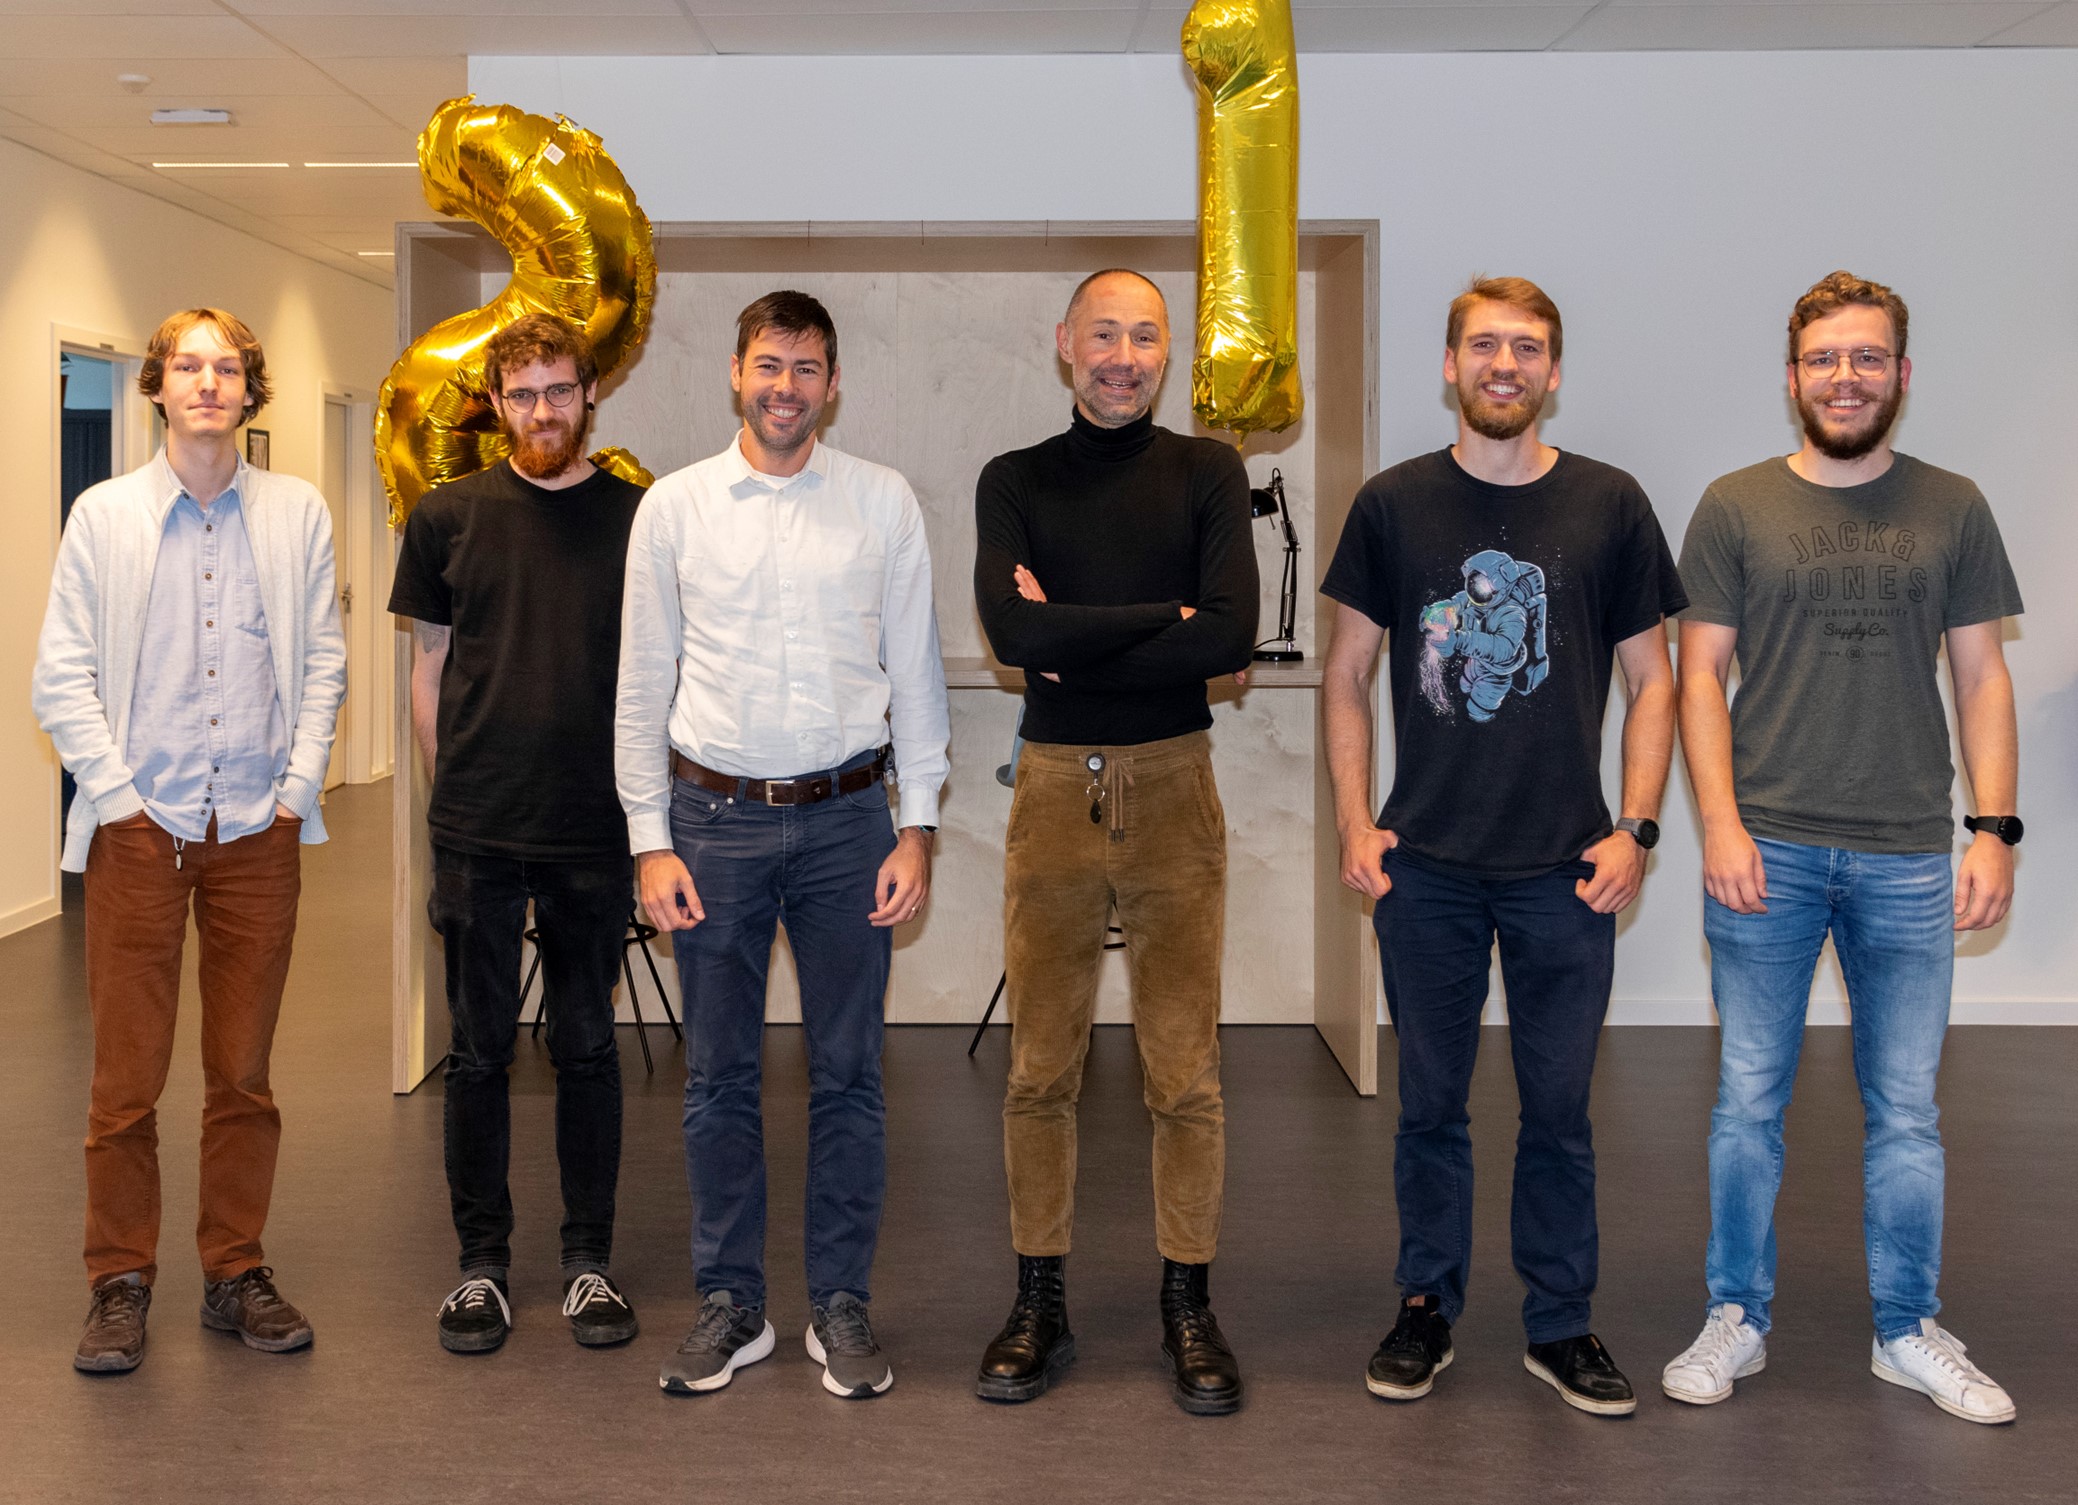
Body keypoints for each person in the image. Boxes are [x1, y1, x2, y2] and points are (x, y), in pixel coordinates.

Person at [1661, 271, 2023, 1425]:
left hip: (1908, 854)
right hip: (1764, 848)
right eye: (1823, 359)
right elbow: (1696, 676)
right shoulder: (1732, 505)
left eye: (1866, 357)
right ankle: (1735, 1315)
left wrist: (1993, 829)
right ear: (1791, 378)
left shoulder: (1953, 505)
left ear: (1900, 374)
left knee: (1905, 1111)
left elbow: (1980, 676)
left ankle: (1905, 1328)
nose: (1844, 377)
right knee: (1745, 1100)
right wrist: (1718, 821)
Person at [1320, 276, 1684, 1416]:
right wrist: (1354, 820)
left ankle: (1560, 1323)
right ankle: (1424, 1306)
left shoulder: (1610, 504)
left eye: (1526, 347)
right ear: (1450, 364)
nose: (1504, 364)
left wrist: (1635, 830)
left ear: (1552, 371)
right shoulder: (1392, 504)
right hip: (1424, 866)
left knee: (1558, 1113)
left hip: (1566, 871)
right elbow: (1345, 673)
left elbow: (1654, 680)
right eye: (1483, 344)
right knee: (1429, 1108)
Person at [617, 290, 949, 1400]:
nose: (785, 387)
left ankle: (839, 1302)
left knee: (850, 1073)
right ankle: (733, 1303)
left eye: (806, 368)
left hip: (851, 822)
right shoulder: (673, 508)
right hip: (710, 825)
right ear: (736, 372)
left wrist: (917, 823)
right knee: (718, 1075)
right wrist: (649, 840)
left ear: (833, 384)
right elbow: (641, 686)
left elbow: (916, 673)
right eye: (769, 364)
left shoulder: (881, 502)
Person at [34, 308, 345, 1373]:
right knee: (124, 1081)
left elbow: (324, 660)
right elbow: (60, 673)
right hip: (140, 830)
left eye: (226, 367)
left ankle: (234, 1270)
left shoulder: (297, 513)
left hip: (258, 825)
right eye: (187, 365)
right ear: (157, 387)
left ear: (249, 389)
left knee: (243, 1074)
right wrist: (117, 798)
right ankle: (119, 1280)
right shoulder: (105, 516)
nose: (207, 382)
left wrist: (298, 786)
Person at [971, 268, 1258, 1415]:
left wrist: (1074, 635)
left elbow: (1229, 637)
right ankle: (1036, 1299)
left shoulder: (1207, 470)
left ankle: (1188, 1300)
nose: (1123, 357)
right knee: (1040, 1067)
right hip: (1051, 790)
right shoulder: (1013, 479)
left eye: (1143, 336)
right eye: (1104, 334)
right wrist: (1163, 619)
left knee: (1183, 1071)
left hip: (1175, 786)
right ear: (1064, 343)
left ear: (1165, 350)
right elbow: (1012, 634)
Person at [388, 313, 647, 1355]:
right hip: (478, 830)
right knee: (478, 1052)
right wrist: (448, 797)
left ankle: (588, 1260)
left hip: (595, 826)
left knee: (586, 1046)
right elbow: (428, 670)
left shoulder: (639, 518)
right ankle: (481, 1267)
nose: (543, 410)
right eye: (523, 393)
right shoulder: (445, 516)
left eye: (560, 390)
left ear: (590, 394)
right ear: (496, 403)